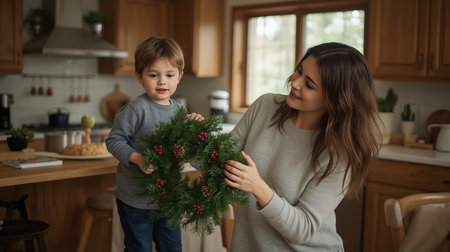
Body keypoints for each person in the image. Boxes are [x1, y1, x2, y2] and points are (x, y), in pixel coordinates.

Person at [224, 42, 381, 251]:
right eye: (299, 71)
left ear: (335, 99)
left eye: (309, 84)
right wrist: (184, 130)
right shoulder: (264, 107)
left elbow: (303, 228)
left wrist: (258, 187)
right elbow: (219, 159)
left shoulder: (341, 153)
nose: (295, 83)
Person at [106, 36, 203, 252]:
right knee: (138, 247)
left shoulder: (180, 111)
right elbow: (113, 140)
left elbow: (183, 150)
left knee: (172, 248)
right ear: (140, 77)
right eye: (153, 75)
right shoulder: (136, 109)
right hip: (135, 201)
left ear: (180, 77)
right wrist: (136, 158)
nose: (162, 81)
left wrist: (194, 130)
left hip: (168, 199)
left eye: (169, 75)